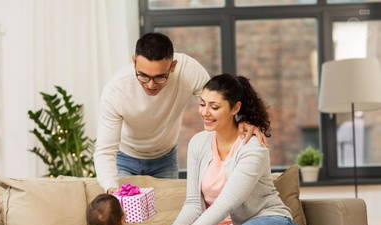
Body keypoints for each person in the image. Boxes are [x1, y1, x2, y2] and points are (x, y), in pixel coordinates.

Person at [145, 74, 300, 225]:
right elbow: (193, 204)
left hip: (274, 224)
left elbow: (226, 203)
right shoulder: (198, 143)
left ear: (235, 108)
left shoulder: (252, 147)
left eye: (214, 107)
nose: (205, 112)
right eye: (202, 104)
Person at [94, 32, 267, 194]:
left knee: (167, 213)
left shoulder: (189, 71)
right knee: (130, 218)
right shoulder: (116, 90)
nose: (151, 85)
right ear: (134, 62)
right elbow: (105, 150)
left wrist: (241, 120)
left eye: (160, 77)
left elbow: (219, 101)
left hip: (165, 157)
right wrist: (111, 187)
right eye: (143, 76)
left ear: (173, 66)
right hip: (125, 157)